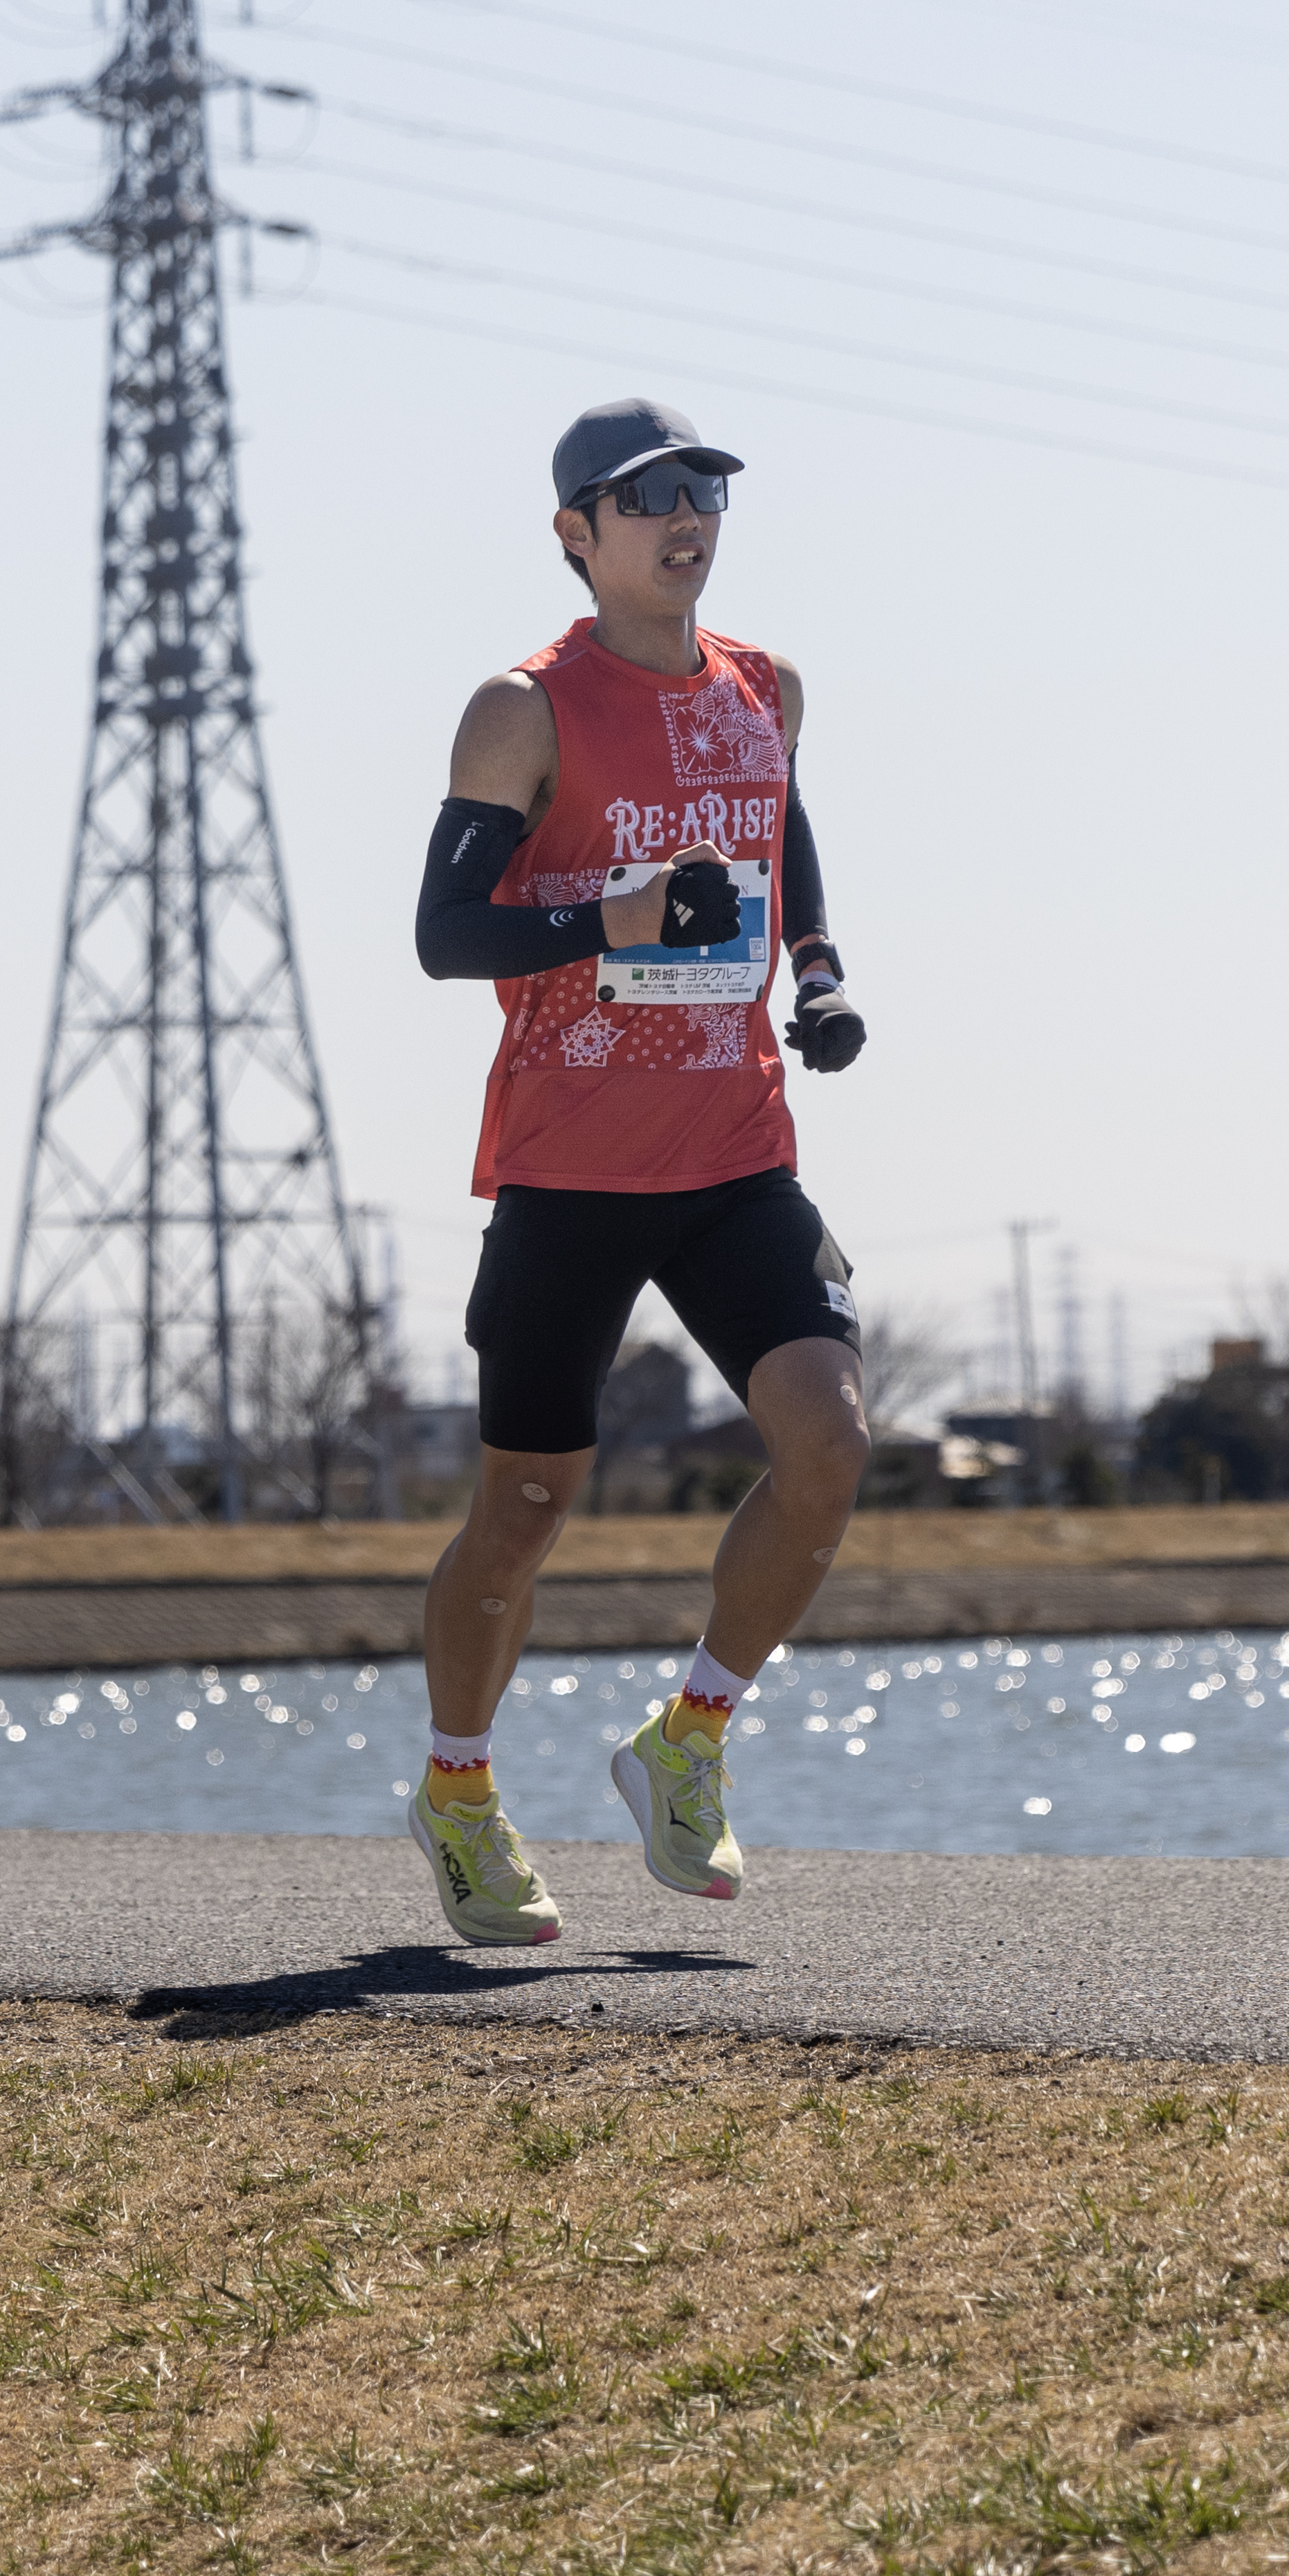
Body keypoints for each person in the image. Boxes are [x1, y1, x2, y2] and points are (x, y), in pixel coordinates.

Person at [402, 399, 876, 1945]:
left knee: (831, 1442)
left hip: (733, 1149)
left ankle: (688, 1744)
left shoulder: (765, 685)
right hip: (567, 1166)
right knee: (527, 1505)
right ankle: (461, 1794)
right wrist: (608, 921)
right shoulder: (521, 710)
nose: (685, 516)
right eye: (646, 495)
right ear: (575, 533)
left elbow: (775, 823)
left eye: (705, 491)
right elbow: (443, 938)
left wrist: (814, 968)